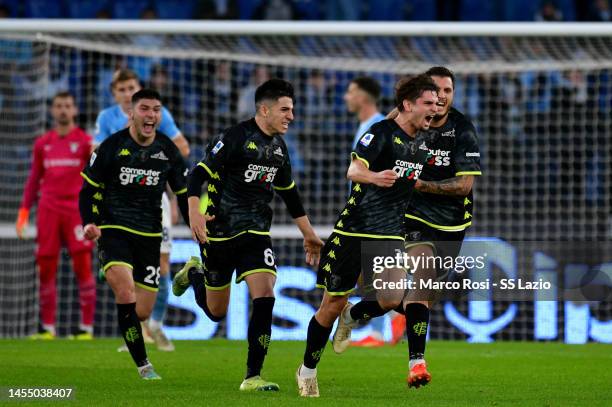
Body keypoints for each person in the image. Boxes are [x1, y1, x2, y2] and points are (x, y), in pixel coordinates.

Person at [335, 66, 482, 389]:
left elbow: (464, 186)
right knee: (421, 286)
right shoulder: (410, 121)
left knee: (397, 299)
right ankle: (417, 364)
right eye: (435, 92)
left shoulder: (462, 130)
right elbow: (390, 125)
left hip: (452, 224)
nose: (441, 97)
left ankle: (352, 314)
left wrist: (418, 183)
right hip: (410, 217)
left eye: (447, 91)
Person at [172, 78, 323, 392]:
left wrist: (309, 234)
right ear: (264, 110)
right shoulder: (234, 138)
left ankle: (252, 375)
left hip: (256, 233)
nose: (291, 116)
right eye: (285, 109)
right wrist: (193, 211)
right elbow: (197, 173)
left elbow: (290, 195)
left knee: (266, 295)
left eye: (292, 110)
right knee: (216, 312)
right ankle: (195, 274)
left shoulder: (279, 149)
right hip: (220, 233)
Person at [296, 74, 439, 397]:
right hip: (353, 229)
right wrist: (375, 176)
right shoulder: (380, 133)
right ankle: (307, 370)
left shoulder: (422, 142)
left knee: (390, 298)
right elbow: (353, 170)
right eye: (428, 103)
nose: (435, 107)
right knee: (330, 305)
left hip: (388, 231)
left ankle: (353, 314)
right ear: (407, 105)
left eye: (437, 102)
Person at [79, 89, 190, 380]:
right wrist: (89, 222)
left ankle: (114, 272)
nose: (151, 115)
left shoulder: (167, 151)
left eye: (156, 110)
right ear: (131, 112)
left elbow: (183, 192)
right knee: (125, 293)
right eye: (145, 109)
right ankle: (144, 365)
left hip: (150, 234)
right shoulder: (110, 147)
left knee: (142, 311)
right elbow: (88, 190)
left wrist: (196, 226)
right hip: (114, 228)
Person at [17, 91, 96, 340]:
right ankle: (47, 327)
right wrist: (23, 211)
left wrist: (96, 212)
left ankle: (86, 328)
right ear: (53, 110)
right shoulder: (43, 143)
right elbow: (33, 179)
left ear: (74, 110)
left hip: (75, 210)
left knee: (82, 266)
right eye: (59, 105)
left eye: (67, 106)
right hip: (48, 209)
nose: (63, 110)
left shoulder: (85, 142)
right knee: (45, 267)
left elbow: (95, 179)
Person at [343, 76, 391, 347]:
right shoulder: (365, 125)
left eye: (351, 92)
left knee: (375, 272)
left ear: (363, 96)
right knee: (365, 273)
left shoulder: (377, 126)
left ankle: (384, 328)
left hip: (374, 213)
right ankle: (387, 323)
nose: (346, 97)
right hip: (362, 210)